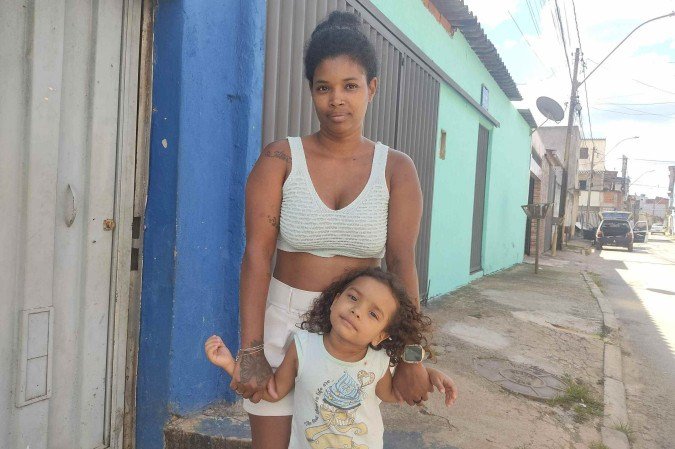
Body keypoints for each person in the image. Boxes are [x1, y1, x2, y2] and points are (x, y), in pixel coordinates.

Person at [233, 10, 435, 449]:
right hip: (283, 325)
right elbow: (256, 256)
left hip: (355, 338)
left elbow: (402, 264)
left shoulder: (396, 170)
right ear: (311, 90)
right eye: (324, 87)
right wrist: (251, 349)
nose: (337, 100)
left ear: (372, 88)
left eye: (350, 86)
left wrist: (411, 355)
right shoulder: (280, 159)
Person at [206, 268, 457, 449]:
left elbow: (394, 393)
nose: (356, 311)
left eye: (373, 314)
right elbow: (273, 391)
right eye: (353, 298)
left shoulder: (378, 362)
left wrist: (430, 375)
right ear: (335, 301)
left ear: (380, 335)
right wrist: (230, 364)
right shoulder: (303, 347)